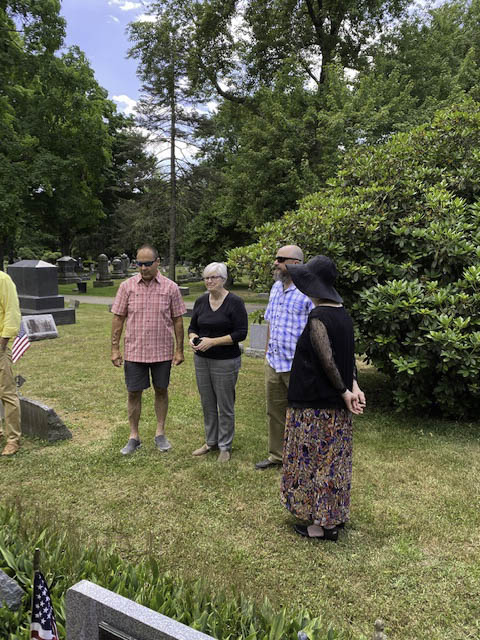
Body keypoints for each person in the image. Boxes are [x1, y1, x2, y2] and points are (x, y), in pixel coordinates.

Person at [280, 255, 366, 541]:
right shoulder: (343, 315)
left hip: (313, 406)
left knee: (312, 463)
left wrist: (345, 391)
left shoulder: (319, 317)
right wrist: (353, 387)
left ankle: (317, 527)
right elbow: (347, 358)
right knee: (332, 464)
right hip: (335, 409)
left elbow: (328, 360)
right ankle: (330, 521)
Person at [111, 245, 186, 455]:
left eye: (147, 264)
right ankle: (134, 436)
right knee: (133, 392)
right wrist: (114, 349)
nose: (143, 268)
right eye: (139, 264)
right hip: (135, 351)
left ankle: (160, 433)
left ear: (157, 262)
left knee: (161, 390)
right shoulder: (127, 287)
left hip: (162, 351)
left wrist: (179, 350)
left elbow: (177, 320)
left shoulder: (171, 288)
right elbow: (118, 318)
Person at [255, 245, 314, 470]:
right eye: (276, 259)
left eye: (281, 259)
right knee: (275, 411)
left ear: (296, 263)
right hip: (274, 361)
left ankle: (302, 459)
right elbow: (271, 320)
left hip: (298, 365)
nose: (276, 263)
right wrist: (268, 352)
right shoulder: (276, 288)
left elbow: (316, 327)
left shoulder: (309, 291)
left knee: (302, 414)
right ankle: (277, 456)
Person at [188, 262, 248, 462]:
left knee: (225, 404)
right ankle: (210, 441)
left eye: (213, 277)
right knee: (207, 403)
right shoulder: (201, 301)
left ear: (223, 279)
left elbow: (241, 333)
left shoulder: (235, 302)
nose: (209, 281)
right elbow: (193, 326)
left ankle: (225, 446)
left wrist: (213, 342)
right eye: (206, 277)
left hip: (225, 361)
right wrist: (193, 338)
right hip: (202, 361)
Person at [0, 270, 22, 456]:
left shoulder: (3, 279)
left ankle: (13, 439)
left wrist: (3, 341)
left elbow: (12, 311)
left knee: (6, 393)